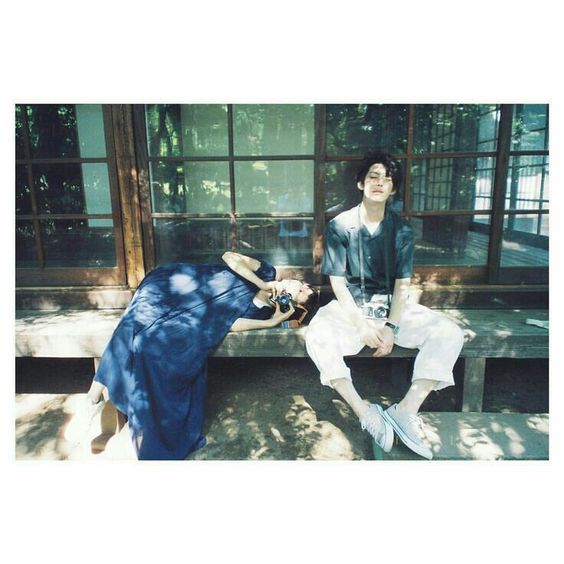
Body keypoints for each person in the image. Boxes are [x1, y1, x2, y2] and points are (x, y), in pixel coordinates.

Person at [64, 251, 316, 460]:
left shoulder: (263, 311)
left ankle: (101, 400)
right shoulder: (267, 271)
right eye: (301, 284)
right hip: (176, 284)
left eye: (301, 294)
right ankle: (92, 399)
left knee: (149, 342)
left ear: (293, 304)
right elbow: (229, 257)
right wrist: (263, 284)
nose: (299, 286)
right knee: (135, 320)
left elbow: (227, 323)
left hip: (193, 313)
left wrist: (273, 322)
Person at [305, 151, 464, 459]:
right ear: (361, 182)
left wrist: (391, 327)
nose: (380, 183)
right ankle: (365, 412)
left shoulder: (401, 229)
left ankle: (404, 411)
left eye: (387, 179)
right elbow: (337, 283)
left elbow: (402, 284)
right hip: (352, 310)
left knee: (449, 333)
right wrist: (361, 325)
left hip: (391, 310)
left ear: (393, 189)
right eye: (374, 177)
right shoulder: (341, 225)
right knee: (317, 334)